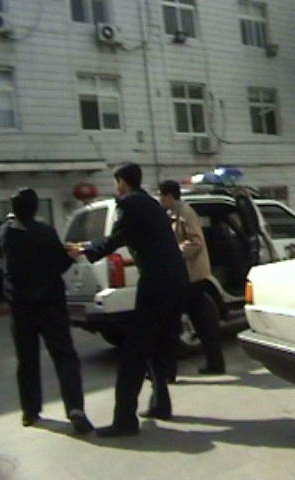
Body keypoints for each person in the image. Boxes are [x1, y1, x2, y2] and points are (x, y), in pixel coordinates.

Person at [66, 163, 189, 437]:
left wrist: (84, 251)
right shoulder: (151, 203)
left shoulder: (129, 204)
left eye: (116, 182)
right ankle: (161, 404)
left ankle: (124, 420)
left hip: (156, 284)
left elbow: (115, 239)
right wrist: (88, 248)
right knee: (156, 345)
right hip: (176, 281)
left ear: (121, 181)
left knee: (133, 352)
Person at [0, 187, 93, 433]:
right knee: (65, 356)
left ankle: (30, 412)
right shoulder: (46, 233)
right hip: (51, 305)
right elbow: (59, 263)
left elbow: (9, 230)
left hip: (20, 307)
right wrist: (70, 255)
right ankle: (75, 408)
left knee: (27, 360)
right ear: (36, 208)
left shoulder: (6, 234)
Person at [158, 180, 226, 375]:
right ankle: (215, 363)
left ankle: (168, 371)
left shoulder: (185, 212)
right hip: (186, 277)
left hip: (191, 276)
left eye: (161, 195)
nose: (159, 199)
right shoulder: (172, 213)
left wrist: (174, 253)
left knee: (172, 322)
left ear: (169, 196)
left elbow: (195, 241)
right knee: (203, 322)